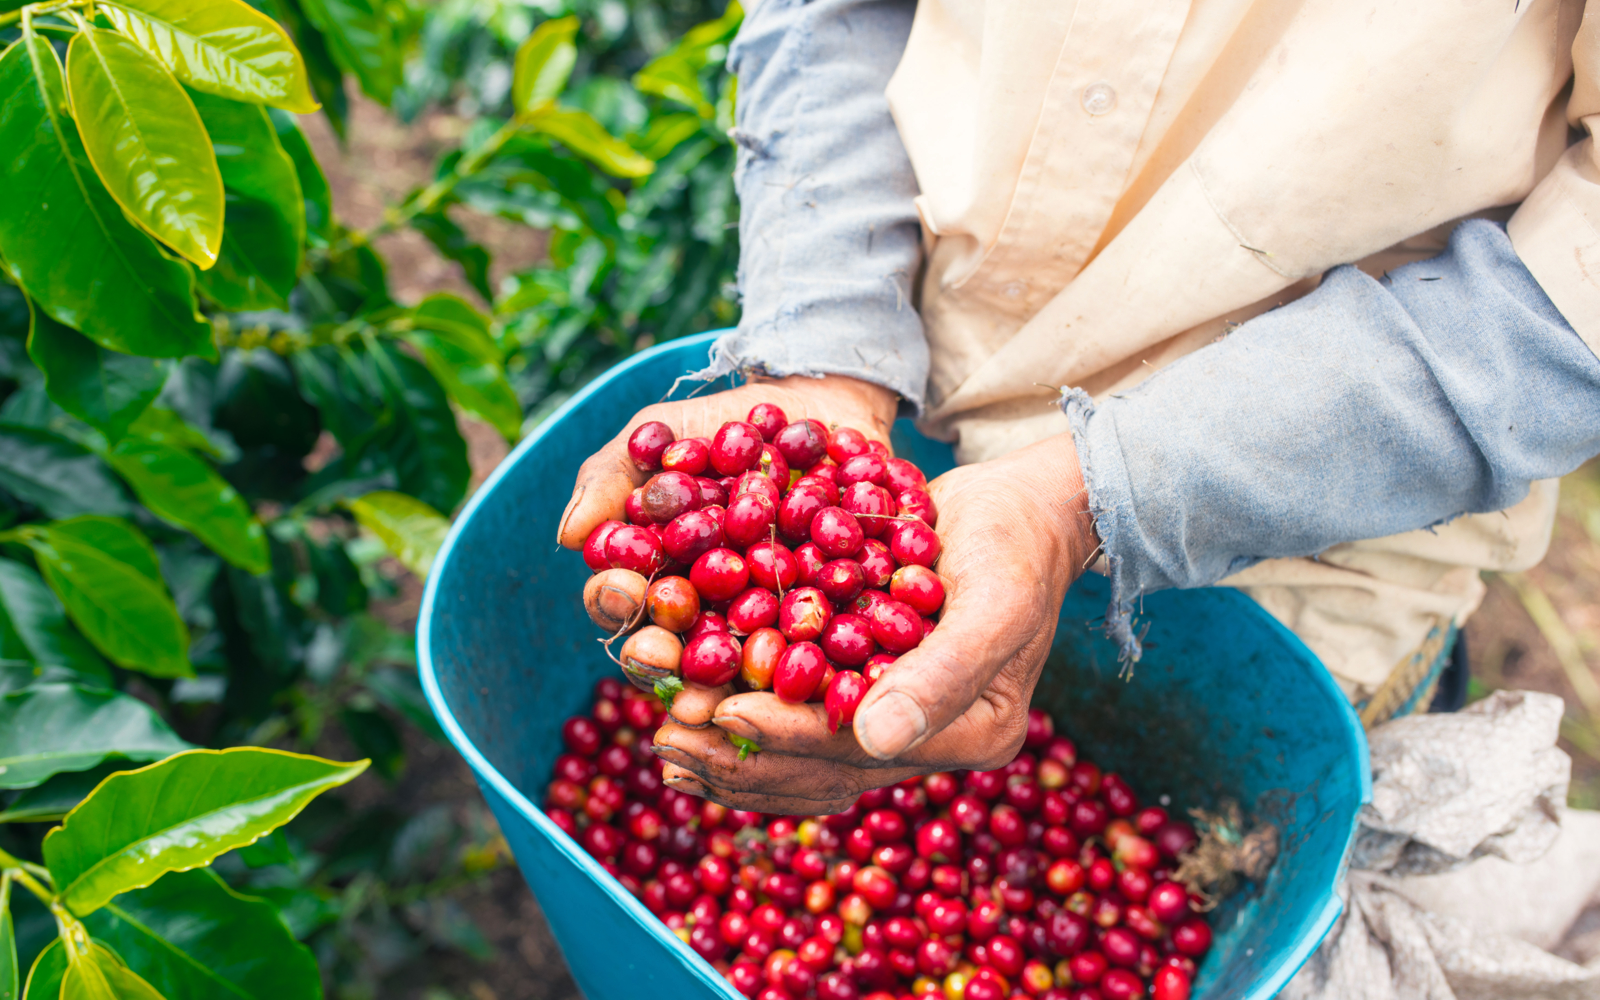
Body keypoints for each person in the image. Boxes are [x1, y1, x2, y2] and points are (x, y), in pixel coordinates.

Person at [557, 0, 1600, 822]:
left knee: (1218, 826)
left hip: (1306, 595)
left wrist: (1086, 496)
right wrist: (822, 356)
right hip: (921, 404)